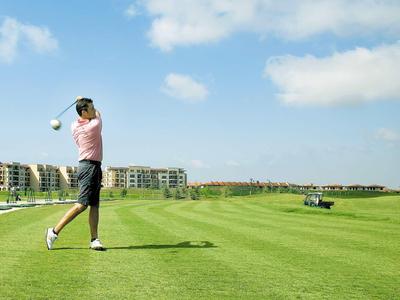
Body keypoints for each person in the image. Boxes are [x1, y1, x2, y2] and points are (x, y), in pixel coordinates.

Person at [45, 96, 105, 251]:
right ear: (84, 112)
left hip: (92, 166)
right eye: (91, 107)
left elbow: (83, 115)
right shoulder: (94, 125)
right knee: (82, 205)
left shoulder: (74, 125)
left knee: (94, 205)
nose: (94, 109)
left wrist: (81, 101)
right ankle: (53, 231)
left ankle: (94, 239)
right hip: (89, 167)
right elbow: (99, 114)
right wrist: (83, 100)